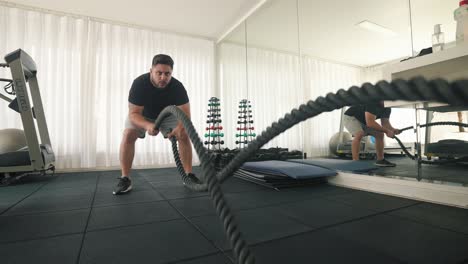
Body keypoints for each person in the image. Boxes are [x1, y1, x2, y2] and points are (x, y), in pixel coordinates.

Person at [113, 54, 201, 195]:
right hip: (142, 115)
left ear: (171, 73)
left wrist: (179, 128)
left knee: (184, 133)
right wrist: (148, 126)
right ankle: (125, 178)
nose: (163, 77)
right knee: (128, 134)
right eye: (158, 73)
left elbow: (185, 115)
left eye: (167, 74)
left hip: (167, 115)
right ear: (151, 71)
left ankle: (188, 175)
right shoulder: (139, 84)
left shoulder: (177, 87)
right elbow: (133, 113)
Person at [343, 102, 401, 167]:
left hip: (364, 120)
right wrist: (387, 131)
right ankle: (355, 161)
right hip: (351, 117)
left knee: (380, 134)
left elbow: (385, 123)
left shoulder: (387, 107)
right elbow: (370, 123)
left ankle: (380, 160)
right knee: (359, 134)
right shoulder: (373, 103)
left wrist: (392, 130)